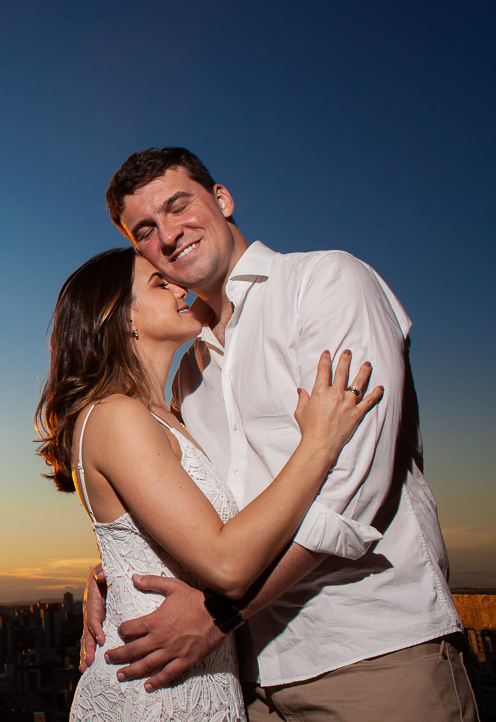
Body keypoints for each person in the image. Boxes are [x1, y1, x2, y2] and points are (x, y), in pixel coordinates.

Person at [82, 147, 476, 721]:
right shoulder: (189, 375)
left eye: (178, 205)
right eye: (146, 229)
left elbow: (354, 490)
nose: (168, 235)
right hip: (246, 678)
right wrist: (116, 569)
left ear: (221, 199)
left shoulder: (324, 283)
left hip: (368, 655)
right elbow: (198, 507)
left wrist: (218, 613)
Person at [36, 247, 382, 721]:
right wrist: (318, 443)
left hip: (206, 681)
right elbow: (226, 562)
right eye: (161, 283)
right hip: (151, 695)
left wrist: (110, 570)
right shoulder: (116, 416)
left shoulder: (169, 414)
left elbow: (162, 531)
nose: (182, 287)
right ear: (121, 319)